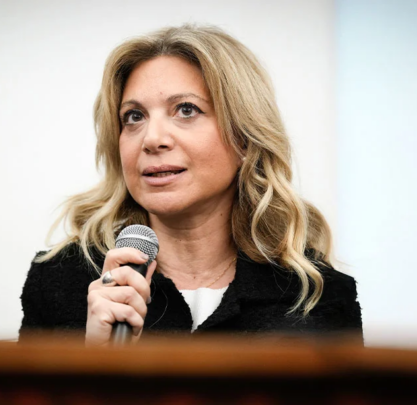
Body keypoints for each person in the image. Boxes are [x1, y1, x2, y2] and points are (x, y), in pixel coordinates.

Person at [19, 24, 363, 347]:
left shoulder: (319, 295)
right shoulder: (60, 281)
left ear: (244, 138)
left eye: (186, 110)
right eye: (134, 117)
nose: (152, 139)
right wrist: (96, 358)